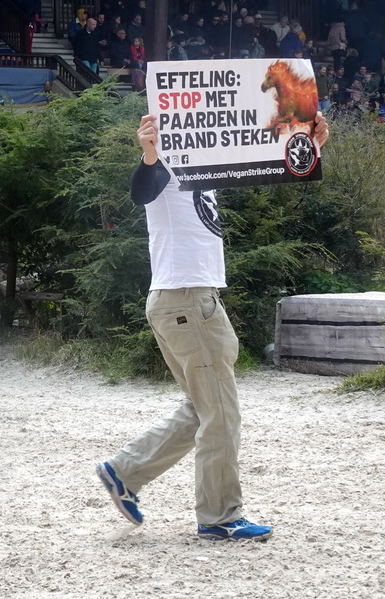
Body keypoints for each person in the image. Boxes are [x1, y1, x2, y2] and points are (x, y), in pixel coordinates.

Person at [96, 111, 330, 541]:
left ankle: (124, 471)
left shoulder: (206, 166)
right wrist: (149, 156)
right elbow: (140, 192)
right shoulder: (163, 165)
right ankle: (220, 516)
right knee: (220, 412)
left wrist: (310, 145)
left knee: (205, 406)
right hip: (186, 299)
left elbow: (267, 161)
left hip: (182, 300)